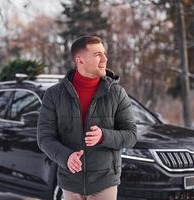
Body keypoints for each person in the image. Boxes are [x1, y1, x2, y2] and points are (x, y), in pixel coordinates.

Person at [37, 35, 137, 200]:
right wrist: (66, 157)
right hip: (70, 184)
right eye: (98, 54)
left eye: (104, 53)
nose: (105, 59)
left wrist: (103, 136)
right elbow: (44, 138)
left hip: (104, 182)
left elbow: (131, 135)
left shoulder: (117, 93)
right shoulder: (54, 95)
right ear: (80, 60)